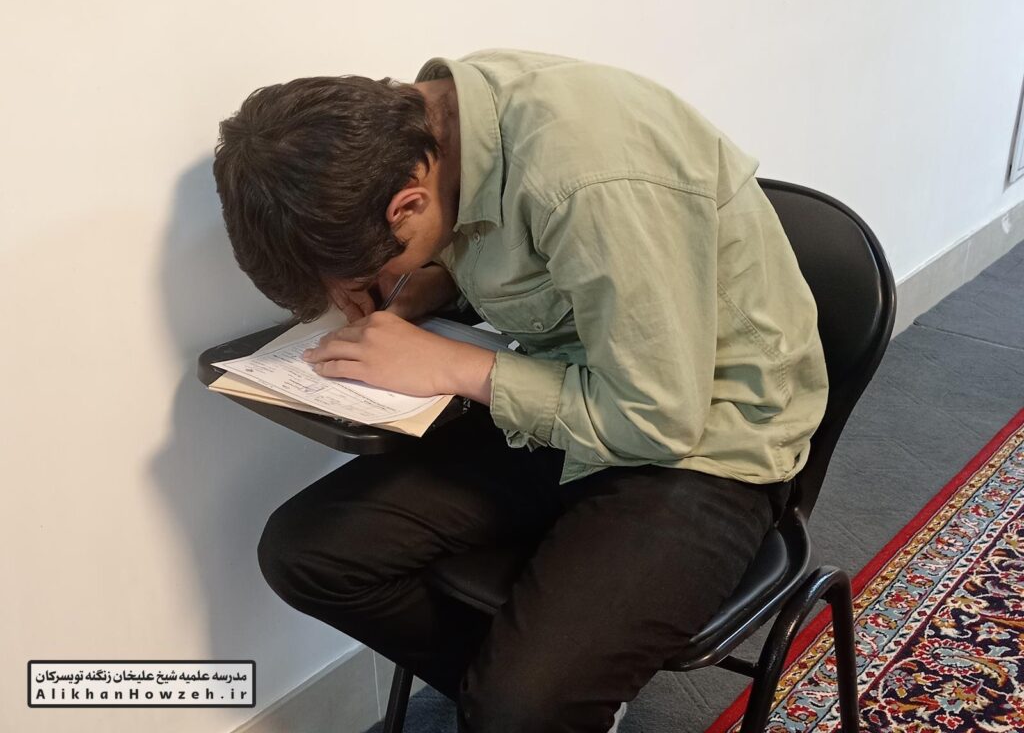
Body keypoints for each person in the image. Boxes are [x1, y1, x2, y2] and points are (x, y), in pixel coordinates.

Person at [212, 48, 829, 732]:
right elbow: (522, 261)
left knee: (519, 707)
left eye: (372, 270)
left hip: (703, 439)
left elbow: (657, 419)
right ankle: (550, 704)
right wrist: (423, 285)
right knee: (307, 553)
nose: (367, 292)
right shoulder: (434, 125)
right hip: (563, 395)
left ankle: (536, 706)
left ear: (408, 203)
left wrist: (452, 366)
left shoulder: (587, 178)